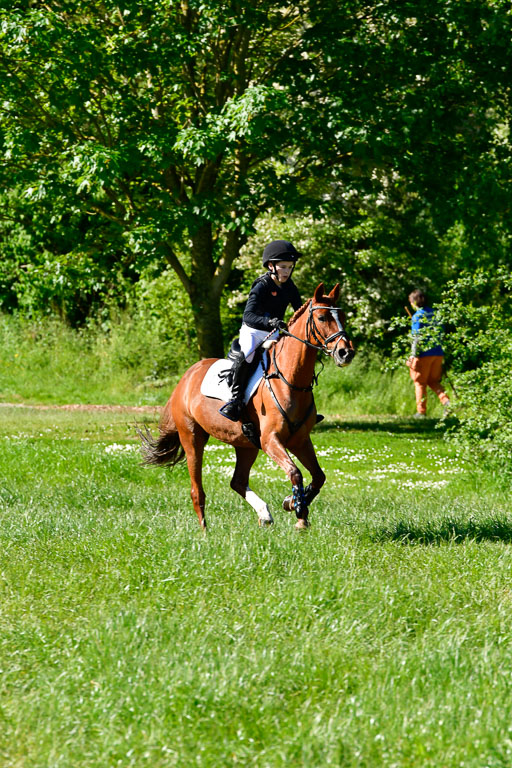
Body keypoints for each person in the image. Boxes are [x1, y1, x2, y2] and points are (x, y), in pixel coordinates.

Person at [219, 239, 303, 422]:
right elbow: (248, 315)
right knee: (248, 355)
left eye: (290, 267)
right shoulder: (262, 285)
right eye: (283, 267)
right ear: (271, 266)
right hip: (253, 331)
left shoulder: (290, 287)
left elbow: (299, 311)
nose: (287, 271)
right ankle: (235, 400)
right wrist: (269, 321)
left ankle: (303, 405)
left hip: (274, 332)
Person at [407, 289, 450, 418]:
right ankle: (447, 402)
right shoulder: (435, 313)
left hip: (423, 354)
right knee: (433, 381)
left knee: (419, 382)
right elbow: (442, 331)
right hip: (438, 352)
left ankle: (421, 412)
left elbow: (416, 337)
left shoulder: (417, 316)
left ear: (414, 302)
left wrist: (413, 356)